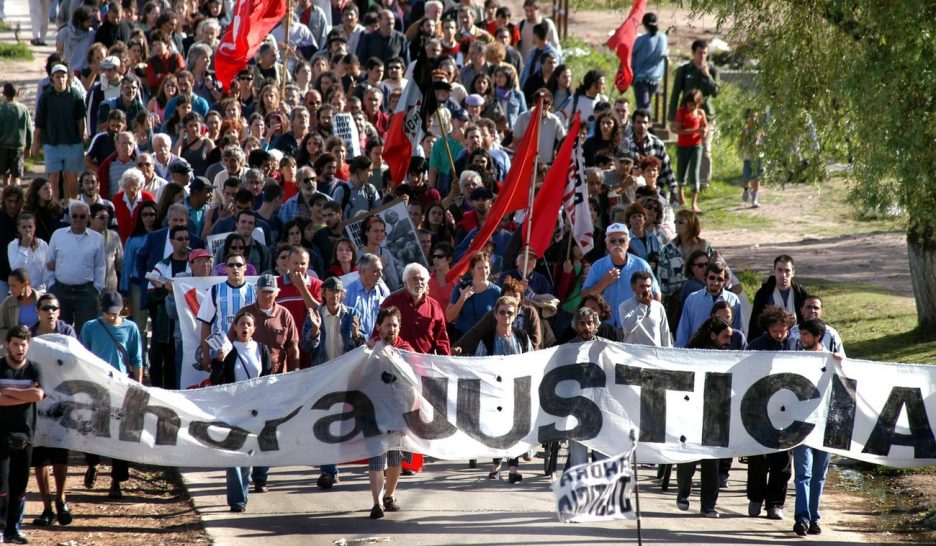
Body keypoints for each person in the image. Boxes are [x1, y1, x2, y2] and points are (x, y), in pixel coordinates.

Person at [80, 291, 144, 499]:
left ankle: (117, 480)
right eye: (108, 313)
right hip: (96, 387)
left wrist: (139, 387)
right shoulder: (90, 327)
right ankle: (93, 463)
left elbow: (136, 359)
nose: (111, 317)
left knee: (120, 436)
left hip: (121, 388)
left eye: (114, 313)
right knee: (92, 431)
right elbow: (82, 356)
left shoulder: (131, 328)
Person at [211, 310, 272, 512]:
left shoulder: (262, 350)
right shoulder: (228, 351)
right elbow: (217, 381)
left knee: (251, 453)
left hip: (256, 410)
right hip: (234, 409)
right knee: (235, 454)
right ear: (235, 328)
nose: (245, 327)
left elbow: (268, 378)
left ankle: (251, 486)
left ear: (254, 329)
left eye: (248, 324)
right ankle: (237, 500)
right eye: (241, 324)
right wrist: (218, 362)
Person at [678, 316, 733, 518]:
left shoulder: (730, 356)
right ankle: (683, 492)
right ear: (712, 336)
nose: (729, 341)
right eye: (725, 337)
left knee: (712, 462)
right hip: (691, 412)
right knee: (688, 457)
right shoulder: (692, 354)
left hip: (715, 415)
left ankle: (708, 506)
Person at [745, 305, 797, 521]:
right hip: (760, 411)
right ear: (767, 329)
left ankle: (775, 504)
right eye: (775, 331)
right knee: (758, 459)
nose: (779, 335)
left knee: (782, 462)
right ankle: (756, 498)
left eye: (782, 331)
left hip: (786, 412)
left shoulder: (795, 345)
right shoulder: (756, 347)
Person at [29, 293, 75, 528]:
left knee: (60, 456)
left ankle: (62, 499)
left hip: (61, 401)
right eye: (45, 308)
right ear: (38, 311)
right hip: (36, 404)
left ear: (59, 312)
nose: (50, 312)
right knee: (39, 459)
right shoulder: (29, 334)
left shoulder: (66, 333)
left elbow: (76, 361)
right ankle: (46, 506)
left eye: (54, 308)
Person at [473, 295, 532, 483]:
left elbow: (531, 361)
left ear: (515, 315)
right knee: (497, 429)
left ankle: (513, 469)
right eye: (502, 312)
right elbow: (478, 365)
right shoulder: (487, 339)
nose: (506, 316)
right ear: (495, 314)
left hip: (516, 390)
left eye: (510, 312)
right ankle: (496, 464)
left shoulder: (522, 337)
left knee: (514, 429)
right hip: (493, 391)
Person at [792, 317, 841, 537]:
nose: (801, 338)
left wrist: (841, 364)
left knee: (819, 476)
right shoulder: (796, 359)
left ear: (817, 337)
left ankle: (814, 518)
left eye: (805, 335)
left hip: (826, 426)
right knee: (803, 473)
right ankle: (802, 518)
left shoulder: (831, 359)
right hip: (802, 426)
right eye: (801, 334)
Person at [365, 306, 412, 519]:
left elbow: (413, 384)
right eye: (387, 325)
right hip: (374, 412)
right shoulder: (369, 350)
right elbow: (361, 377)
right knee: (376, 457)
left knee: (394, 459)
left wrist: (408, 416)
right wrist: (370, 352)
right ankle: (376, 503)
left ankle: (389, 496)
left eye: (395, 325)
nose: (391, 329)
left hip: (398, 414)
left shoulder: (406, 350)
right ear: (379, 327)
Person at [0, 326, 46, 545]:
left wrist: (8, 392)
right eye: (16, 344)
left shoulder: (34, 369)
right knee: (2, 486)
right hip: (0, 435)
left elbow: (38, 394)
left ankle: (13, 529)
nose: (19, 349)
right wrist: (25, 395)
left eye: (24, 344)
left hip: (25, 436)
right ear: (7, 344)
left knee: (19, 486)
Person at [582, 223, 660, 328]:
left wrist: (648, 320)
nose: (617, 244)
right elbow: (585, 295)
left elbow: (656, 295)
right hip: (606, 326)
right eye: (613, 241)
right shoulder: (598, 266)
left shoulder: (641, 265)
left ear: (628, 243)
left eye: (622, 240)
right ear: (607, 244)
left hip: (635, 326)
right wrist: (604, 282)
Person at [47, 201, 106, 336]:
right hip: (61, 291)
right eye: (75, 216)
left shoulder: (97, 239)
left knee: (86, 334)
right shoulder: (58, 235)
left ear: (88, 218)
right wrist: (51, 286)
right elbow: (49, 263)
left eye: (82, 216)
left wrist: (96, 289)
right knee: (60, 334)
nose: (78, 219)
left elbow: (100, 267)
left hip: (86, 293)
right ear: (70, 217)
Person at [668, 39, 719, 188]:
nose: (702, 56)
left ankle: (703, 183)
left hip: (705, 116)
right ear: (693, 53)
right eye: (699, 53)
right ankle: (685, 182)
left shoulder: (712, 69)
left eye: (705, 53)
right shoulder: (684, 70)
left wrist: (707, 76)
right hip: (685, 117)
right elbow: (675, 94)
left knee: (705, 150)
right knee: (686, 149)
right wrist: (672, 118)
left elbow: (715, 92)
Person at [33, 64, 87, 201]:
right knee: (53, 179)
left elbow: (81, 119)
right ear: (52, 78)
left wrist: (81, 139)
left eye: (63, 76)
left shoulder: (75, 94)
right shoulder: (46, 97)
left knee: (72, 180)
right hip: (52, 142)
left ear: (67, 77)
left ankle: (72, 207)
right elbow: (39, 122)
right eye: (57, 76)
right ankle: (55, 209)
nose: (61, 79)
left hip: (72, 142)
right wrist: (35, 143)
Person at [197, 252, 258, 370]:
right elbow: (206, 323)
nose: (235, 268)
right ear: (225, 268)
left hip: (248, 350)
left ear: (245, 267)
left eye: (239, 265)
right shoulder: (215, 290)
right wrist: (206, 354)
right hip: (220, 352)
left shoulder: (254, 290)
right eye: (231, 265)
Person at [378, 263, 450, 355]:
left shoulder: (434, 306)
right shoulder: (391, 302)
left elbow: (441, 340)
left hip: (424, 364)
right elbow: (378, 329)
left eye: (422, 279)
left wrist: (445, 363)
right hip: (395, 361)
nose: (419, 282)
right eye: (414, 279)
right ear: (405, 282)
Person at [676, 261, 742, 347]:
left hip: (725, 354)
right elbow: (683, 331)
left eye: (719, 279)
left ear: (725, 281)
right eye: (712, 278)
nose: (715, 283)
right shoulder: (692, 299)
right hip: (698, 352)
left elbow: (737, 332)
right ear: (705, 278)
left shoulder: (733, 300)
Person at [749, 254, 809, 339]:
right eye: (780, 270)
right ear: (774, 272)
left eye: (787, 271)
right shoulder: (764, 294)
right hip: (768, 341)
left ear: (793, 273)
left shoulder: (801, 294)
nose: (783, 275)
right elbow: (754, 324)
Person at [447, 252, 501, 338]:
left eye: (486, 267)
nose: (484, 271)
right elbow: (449, 317)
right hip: (462, 339)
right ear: (472, 270)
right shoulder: (461, 288)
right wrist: (462, 298)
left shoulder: (496, 291)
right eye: (479, 268)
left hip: (485, 340)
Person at [618, 271, 672, 346]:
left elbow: (665, 334)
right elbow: (628, 328)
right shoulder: (624, 306)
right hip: (633, 355)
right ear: (634, 287)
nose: (646, 290)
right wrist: (643, 305)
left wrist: (667, 354)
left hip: (654, 355)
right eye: (642, 286)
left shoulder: (658, 306)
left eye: (648, 286)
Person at [631, 13, 668, 111]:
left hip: (641, 77)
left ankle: (646, 124)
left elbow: (632, 52)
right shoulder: (663, 37)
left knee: (643, 107)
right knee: (647, 104)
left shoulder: (642, 40)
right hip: (656, 78)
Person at [8, 214, 54, 292]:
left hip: (39, 290)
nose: (28, 230)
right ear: (18, 229)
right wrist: (24, 247)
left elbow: (47, 269)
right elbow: (16, 269)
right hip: (19, 290)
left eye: (30, 227)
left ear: (34, 227)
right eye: (24, 227)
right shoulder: (13, 245)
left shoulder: (43, 244)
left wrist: (49, 286)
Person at [0, 269, 41, 356]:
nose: (10, 289)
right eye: (9, 286)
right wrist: (16, 333)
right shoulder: (7, 303)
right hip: (16, 352)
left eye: (14, 286)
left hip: (40, 350)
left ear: (25, 284)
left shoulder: (43, 301)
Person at [0, 83, 33, 187]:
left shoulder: (1, 109)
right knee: (16, 176)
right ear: (18, 93)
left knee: (5, 175)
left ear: (3, 93)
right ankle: (17, 196)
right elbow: (29, 129)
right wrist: (29, 146)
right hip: (18, 147)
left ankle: (6, 197)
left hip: (3, 147)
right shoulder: (23, 109)